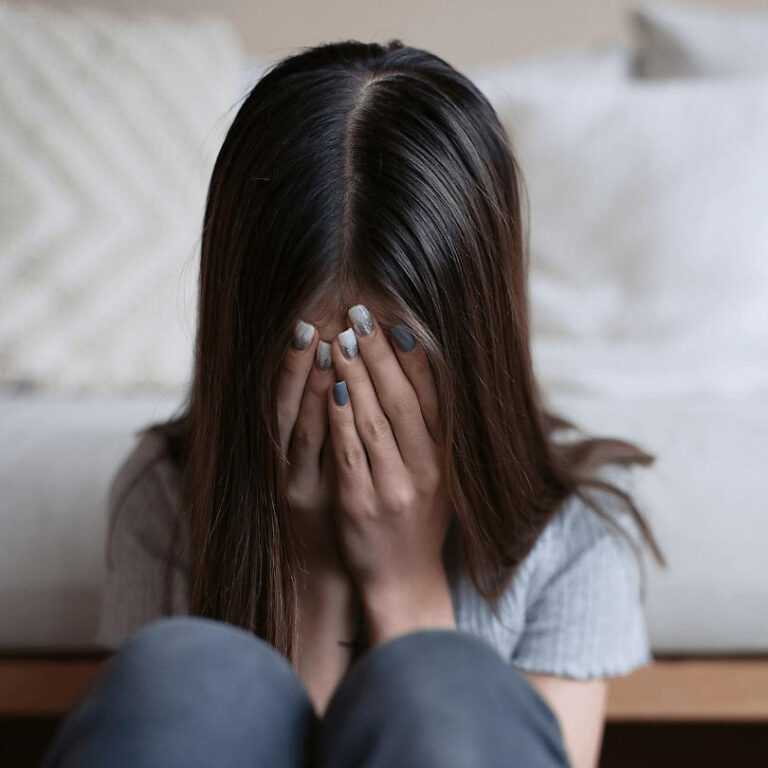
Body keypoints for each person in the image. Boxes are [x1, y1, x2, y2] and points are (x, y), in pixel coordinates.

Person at [49, 39, 666, 768]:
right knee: (187, 670)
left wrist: (402, 586)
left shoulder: (575, 536)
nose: (357, 418)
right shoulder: (166, 494)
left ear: (474, 355)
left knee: (446, 686)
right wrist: (311, 578)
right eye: (318, 367)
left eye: (389, 370)